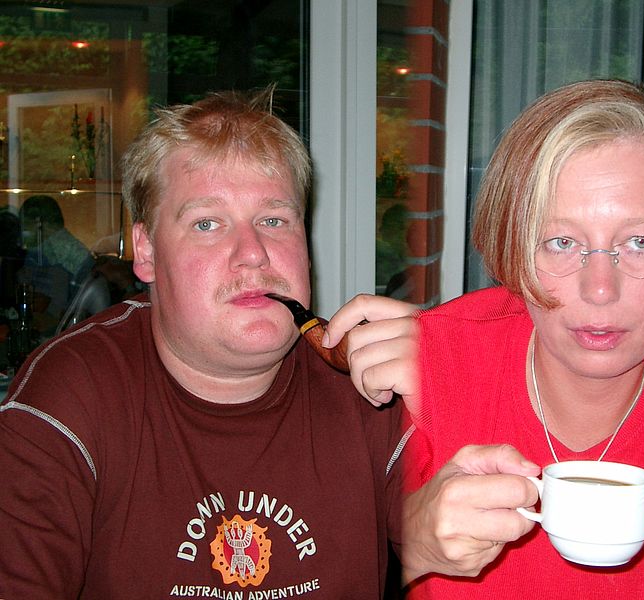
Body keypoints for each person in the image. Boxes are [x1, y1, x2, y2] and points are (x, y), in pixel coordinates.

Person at [0, 89, 417, 599]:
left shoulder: (366, 379)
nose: (253, 254)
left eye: (273, 220)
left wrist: (456, 393)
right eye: (207, 223)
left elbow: (462, 557)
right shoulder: (70, 394)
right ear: (146, 251)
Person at [399, 80, 644, 598]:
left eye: (640, 242)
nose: (600, 290)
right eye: (562, 241)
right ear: (516, 247)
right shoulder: (430, 363)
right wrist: (409, 545)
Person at [17, 194, 95, 330]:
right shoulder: (50, 249)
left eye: (25, 225)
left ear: (39, 223)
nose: (23, 232)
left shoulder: (60, 252)